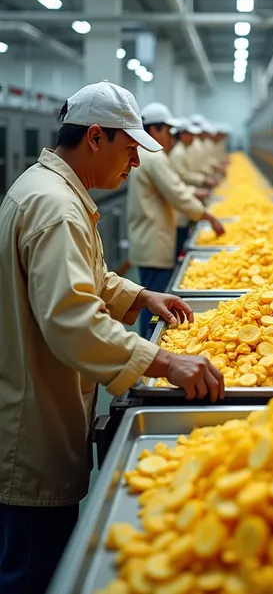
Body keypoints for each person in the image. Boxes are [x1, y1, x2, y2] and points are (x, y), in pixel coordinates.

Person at [0, 81, 224, 594]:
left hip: (41, 400)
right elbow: (72, 319)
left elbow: (90, 278)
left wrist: (141, 297)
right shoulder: (55, 207)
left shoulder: (54, 192)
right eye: (129, 151)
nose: (137, 166)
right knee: (33, 567)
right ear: (95, 137)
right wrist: (166, 362)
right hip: (31, 424)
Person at [126, 102, 225, 337]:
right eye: (167, 131)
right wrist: (207, 215)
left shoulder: (148, 155)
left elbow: (176, 188)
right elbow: (177, 193)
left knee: (151, 299)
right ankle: (150, 349)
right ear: (154, 130)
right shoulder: (152, 156)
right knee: (153, 303)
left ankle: (149, 345)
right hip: (153, 241)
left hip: (151, 237)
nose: (171, 137)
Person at [169, 118, 217, 256]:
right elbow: (182, 176)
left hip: (188, 199)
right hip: (183, 202)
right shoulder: (178, 153)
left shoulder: (185, 149)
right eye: (190, 134)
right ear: (182, 135)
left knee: (185, 232)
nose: (193, 138)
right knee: (180, 237)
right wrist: (202, 180)